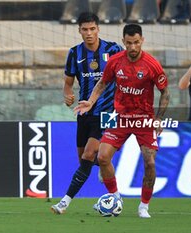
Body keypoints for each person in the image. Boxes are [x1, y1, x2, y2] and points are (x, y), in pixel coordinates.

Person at [74, 24, 170, 218]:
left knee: (150, 162)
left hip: (144, 119)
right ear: (123, 41)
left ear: (142, 40)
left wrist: (159, 119)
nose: (133, 47)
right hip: (119, 116)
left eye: (136, 43)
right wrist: (90, 102)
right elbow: (102, 83)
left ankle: (144, 206)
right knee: (102, 157)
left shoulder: (152, 64)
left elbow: (165, 92)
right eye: (128, 43)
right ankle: (115, 197)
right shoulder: (116, 61)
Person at [51, 12, 123, 214]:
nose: (89, 33)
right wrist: (67, 95)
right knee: (84, 159)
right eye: (85, 29)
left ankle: (64, 201)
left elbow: (127, 73)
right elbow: (68, 83)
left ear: (98, 29)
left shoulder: (114, 49)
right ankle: (109, 177)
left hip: (108, 111)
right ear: (79, 31)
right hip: (84, 112)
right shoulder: (75, 53)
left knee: (91, 154)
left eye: (92, 29)